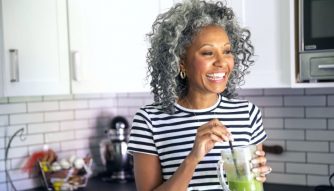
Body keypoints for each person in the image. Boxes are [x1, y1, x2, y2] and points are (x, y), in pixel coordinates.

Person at [127, 0, 271, 190]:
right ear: (181, 62)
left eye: (227, 51)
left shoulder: (247, 114)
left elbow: (253, 183)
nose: (221, 62)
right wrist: (193, 157)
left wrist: (257, 173)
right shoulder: (150, 121)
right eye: (208, 53)